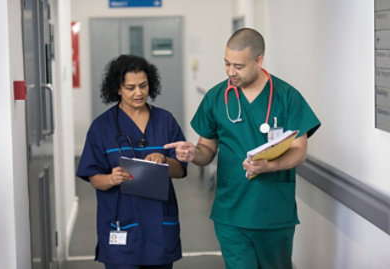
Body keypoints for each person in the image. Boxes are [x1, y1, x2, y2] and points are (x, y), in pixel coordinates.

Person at [165, 28, 321, 269]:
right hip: (231, 212)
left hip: (274, 214)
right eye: (227, 64)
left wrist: (270, 165)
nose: (230, 72)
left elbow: (299, 150)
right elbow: (206, 150)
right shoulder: (216, 97)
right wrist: (194, 154)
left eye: (238, 66)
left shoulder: (287, 96)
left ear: (259, 61)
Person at [76, 54, 187, 269]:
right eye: (130, 87)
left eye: (143, 86)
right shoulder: (101, 127)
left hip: (158, 225)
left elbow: (181, 170)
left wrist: (164, 161)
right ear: (118, 89)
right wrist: (110, 178)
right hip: (121, 222)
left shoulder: (165, 121)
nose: (138, 93)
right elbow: (94, 178)